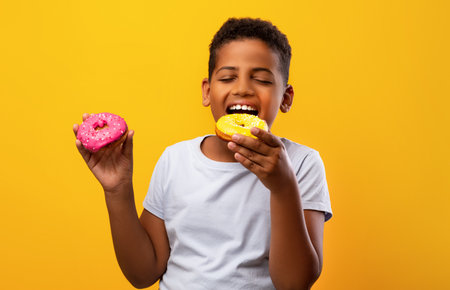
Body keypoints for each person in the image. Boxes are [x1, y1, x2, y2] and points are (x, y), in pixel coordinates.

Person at [73, 17, 332, 290]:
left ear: (286, 98)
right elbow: (143, 273)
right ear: (207, 91)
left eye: (262, 79)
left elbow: (295, 283)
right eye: (228, 77)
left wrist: (282, 186)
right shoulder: (175, 160)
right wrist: (118, 191)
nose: (242, 88)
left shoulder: (302, 164)